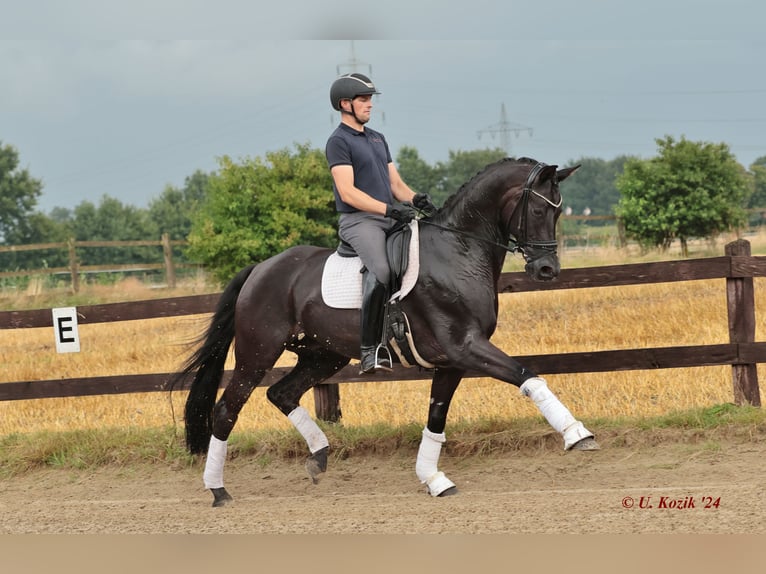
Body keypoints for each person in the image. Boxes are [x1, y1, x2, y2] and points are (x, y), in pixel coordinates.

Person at [325, 72, 435, 374]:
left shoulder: (377, 138)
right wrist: (388, 210)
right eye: (363, 99)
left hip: (388, 216)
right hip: (360, 221)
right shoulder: (338, 142)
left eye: (370, 99)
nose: (369, 104)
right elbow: (348, 192)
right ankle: (370, 350)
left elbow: (396, 184)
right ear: (344, 104)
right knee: (383, 270)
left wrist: (416, 200)